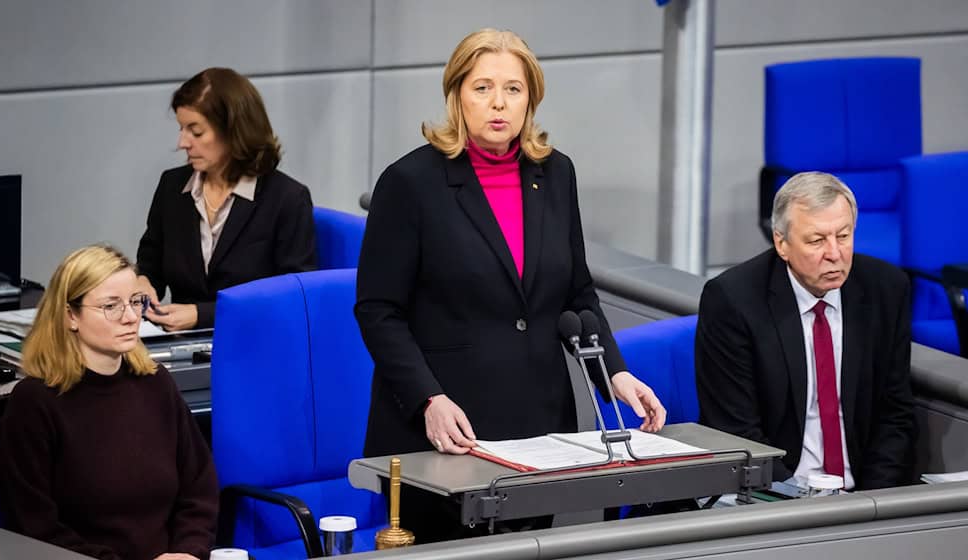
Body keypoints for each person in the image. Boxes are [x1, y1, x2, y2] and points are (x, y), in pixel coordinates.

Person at [355, 28, 666, 542]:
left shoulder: (556, 173)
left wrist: (615, 373)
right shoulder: (411, 183)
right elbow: (377, 309)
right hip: (447, 430)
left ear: (531, 99)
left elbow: (578, 292)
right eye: (482, 88)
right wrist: (427, 399)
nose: (498, 103)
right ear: (456, 95)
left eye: (513, 89)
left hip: (539, 423)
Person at [0, 245, 219, 560]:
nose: (130, 317)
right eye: (111, 306)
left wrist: (188, 551)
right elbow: (36, 529)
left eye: (135, 302)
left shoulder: (156, 384)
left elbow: (199, 489)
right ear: (70, 315)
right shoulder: (35, 403)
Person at [695, 171, 917, 491]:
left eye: (843, 236)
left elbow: (895, 416)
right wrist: (800, 508)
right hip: (776, 496)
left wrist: (871, 505)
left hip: (865, 495)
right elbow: (736, 433)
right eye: (816, 240)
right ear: (781, 243)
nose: (834, 253)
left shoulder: (886, 290)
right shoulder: (733, 301)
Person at [136, 67, 317, 331]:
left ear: (234, 132)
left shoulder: (287, 199)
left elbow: (291, 298)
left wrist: (202, 315)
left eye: (195, 132)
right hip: (181, 345)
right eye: (181, 129)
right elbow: (151, 261)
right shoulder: (172, 186)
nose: (182, 143)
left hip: (255, 339)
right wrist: (142, 282)